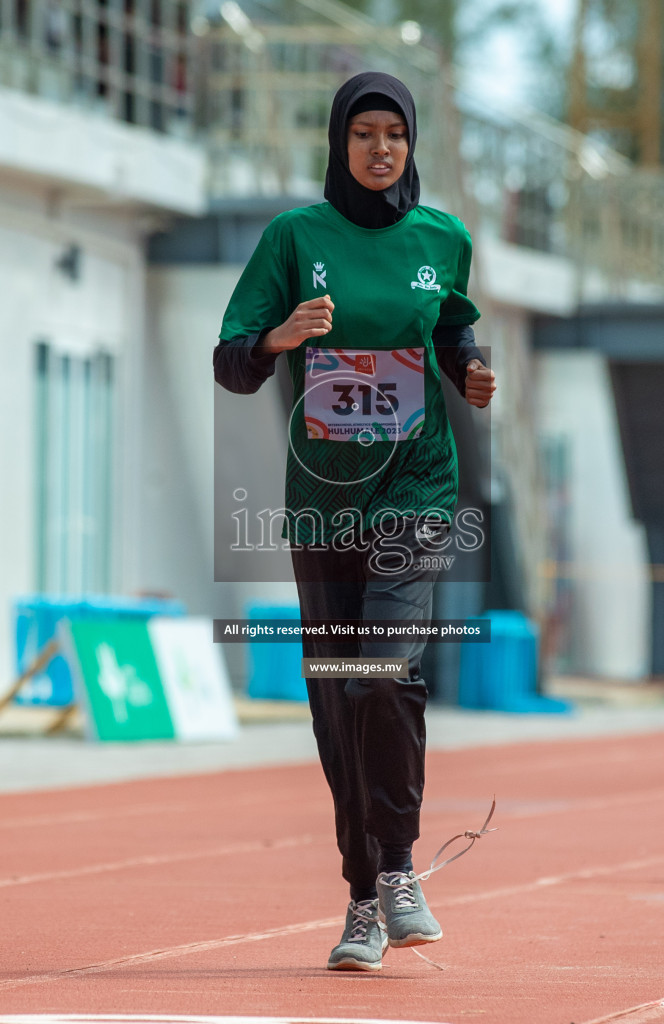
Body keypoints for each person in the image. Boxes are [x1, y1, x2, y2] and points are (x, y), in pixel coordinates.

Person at [212, 71, 497, 973]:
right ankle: (363, 896)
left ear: (412, 146)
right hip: (324, 499)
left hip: (416, 487)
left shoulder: (442, 239)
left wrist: (474, 370)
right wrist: (280, 337)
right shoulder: (295, 239)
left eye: (396, 136)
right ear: (340, 143)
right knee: (339, 698)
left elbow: (453, 335)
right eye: (365, 133)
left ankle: (402, 869)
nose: (381, 149)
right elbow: (230, 362)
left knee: (381, 673)